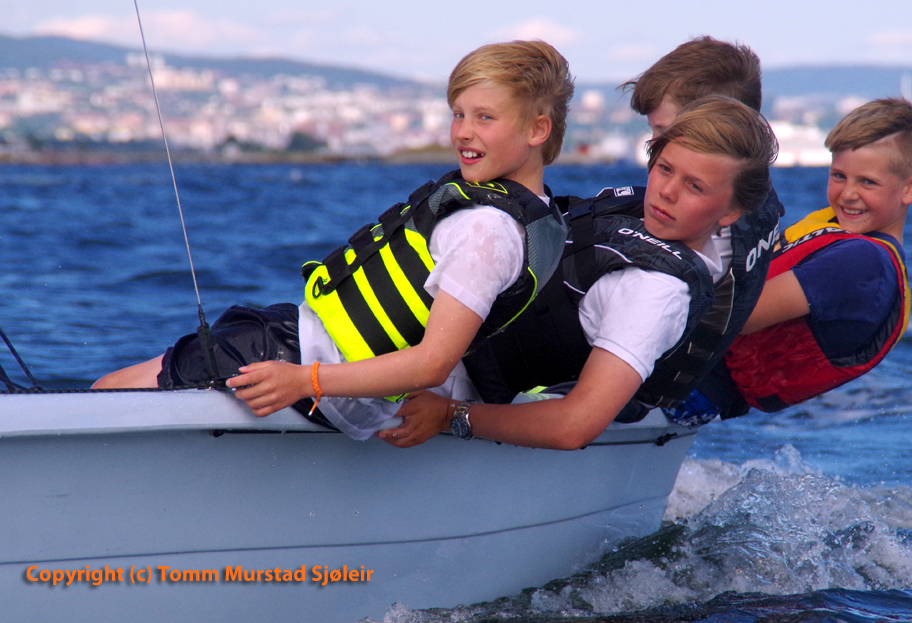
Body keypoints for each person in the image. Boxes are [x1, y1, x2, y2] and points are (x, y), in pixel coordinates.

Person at [92, 40, 574, 440]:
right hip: (305, 352)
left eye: (484, 118)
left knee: (106, 392)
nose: (463, 133)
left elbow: (432, 363)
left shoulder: (486, 230)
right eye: (458, 114)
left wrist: (304, 380)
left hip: (299, 364)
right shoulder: (532, 220)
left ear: (538, 129)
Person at [381, 95, 779, 450]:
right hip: (426, 345)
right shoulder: (630, 213)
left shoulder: (655, 291)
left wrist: (449, 415)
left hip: (445, 386)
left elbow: (575, 425)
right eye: (664, 168)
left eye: (695, 187)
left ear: (731, 212)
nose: (667, 191)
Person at [461, 36, 784, 416]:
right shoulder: (754, 204)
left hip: (626, 391)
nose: (657, 144)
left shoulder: (671, 271)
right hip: (679, 389)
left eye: (663, 130)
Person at [677, 97, 912, 425]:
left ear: (910, 187)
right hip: (695, 383)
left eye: (867, 182)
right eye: (838, 176)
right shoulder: (838, 235)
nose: (847, 193)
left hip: (690, 388)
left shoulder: (861, 262)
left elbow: (737, 316)